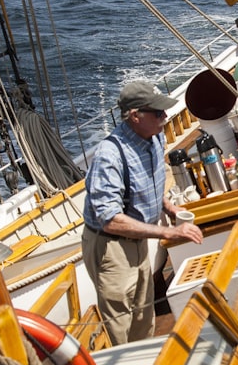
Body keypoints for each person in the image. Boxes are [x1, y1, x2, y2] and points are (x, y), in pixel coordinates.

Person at [82, 80, 204, 345]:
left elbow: (149, 180)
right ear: (135, 116)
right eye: (157, 113)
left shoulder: (155, 136)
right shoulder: (109, 156)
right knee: (121, 321)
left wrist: (169, 207)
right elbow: (110, 220)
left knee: (143, 311)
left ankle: (144, 356)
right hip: (111, 246)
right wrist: (169, 231)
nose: (165, 117)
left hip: (137, 237)